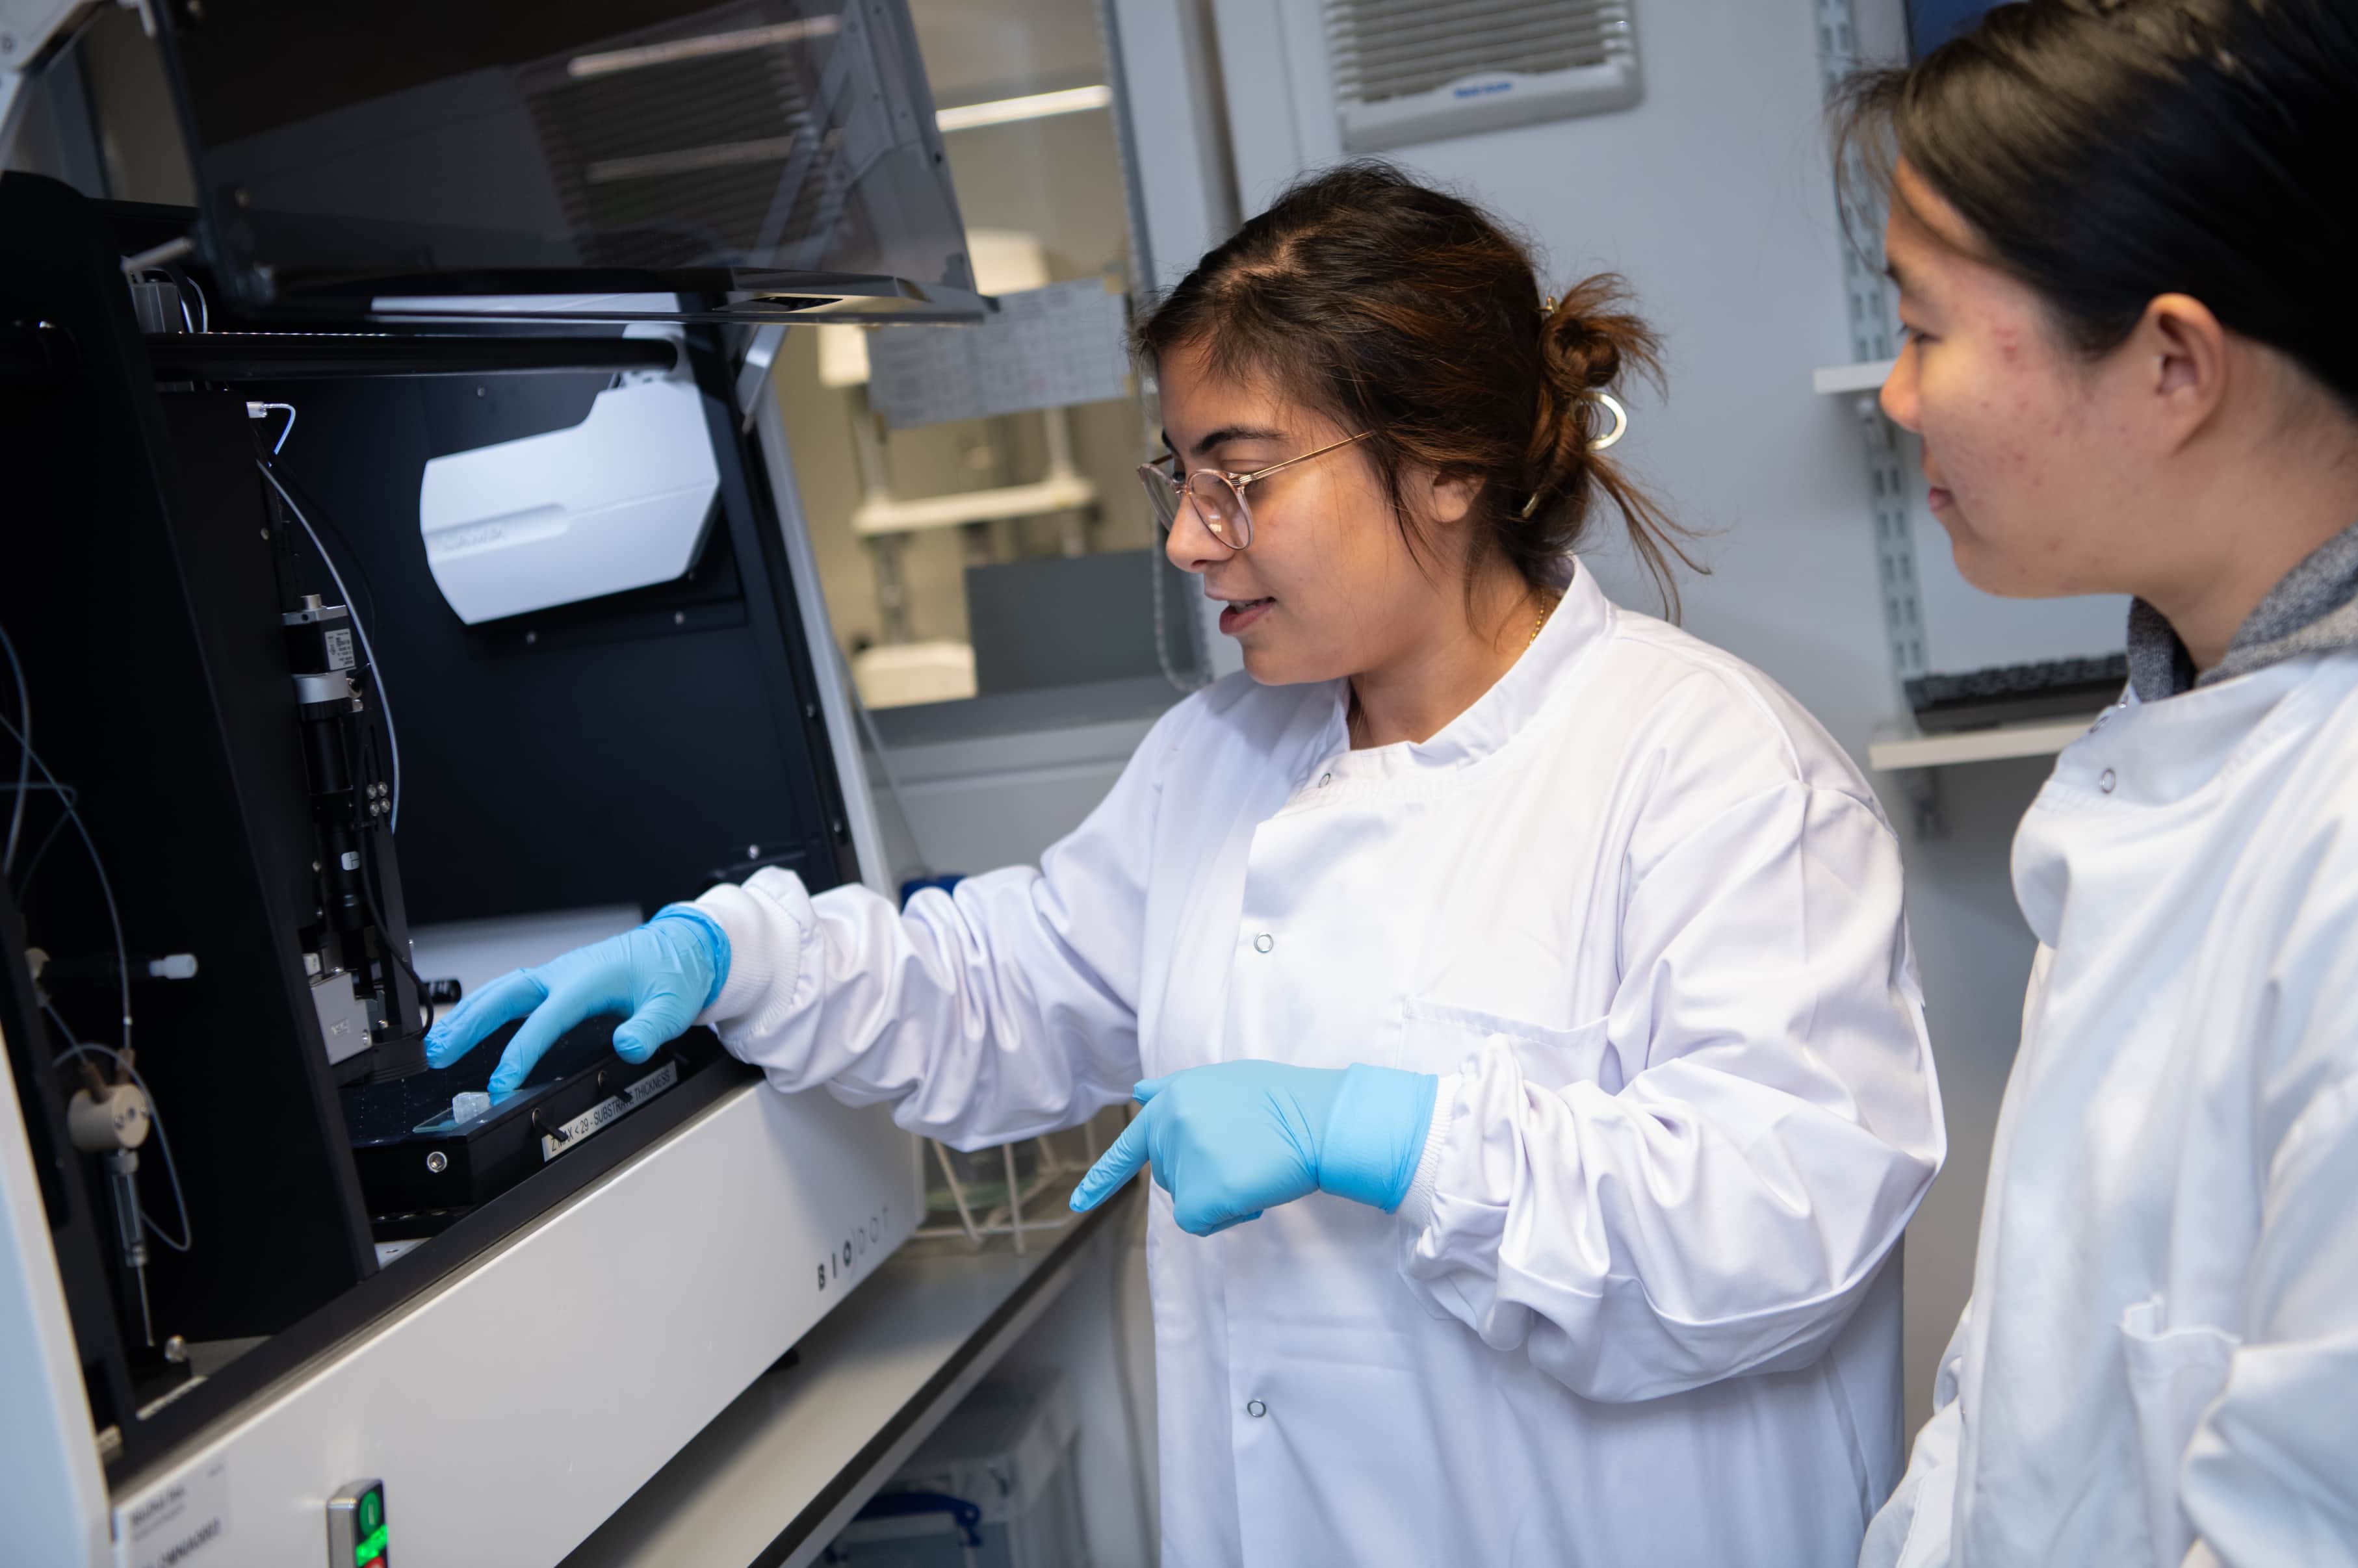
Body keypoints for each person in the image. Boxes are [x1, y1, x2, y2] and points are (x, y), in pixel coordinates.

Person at [426, 163, 1945, 1567]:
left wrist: (1395, 1138)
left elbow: (1779, 1227)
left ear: (1451, 467)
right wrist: (734, 955)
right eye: (1181, 476)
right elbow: (1003, 993)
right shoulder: (1226, 758)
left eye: (1245, 477)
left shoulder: (1714, 776)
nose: (1190, 541)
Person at [1832, 3, 2358, 1563]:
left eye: (1925, 329)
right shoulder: (2193, 730)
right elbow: (2018, 1399)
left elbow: (2354, 1521)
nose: (1896, 395)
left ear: (2174, 363)